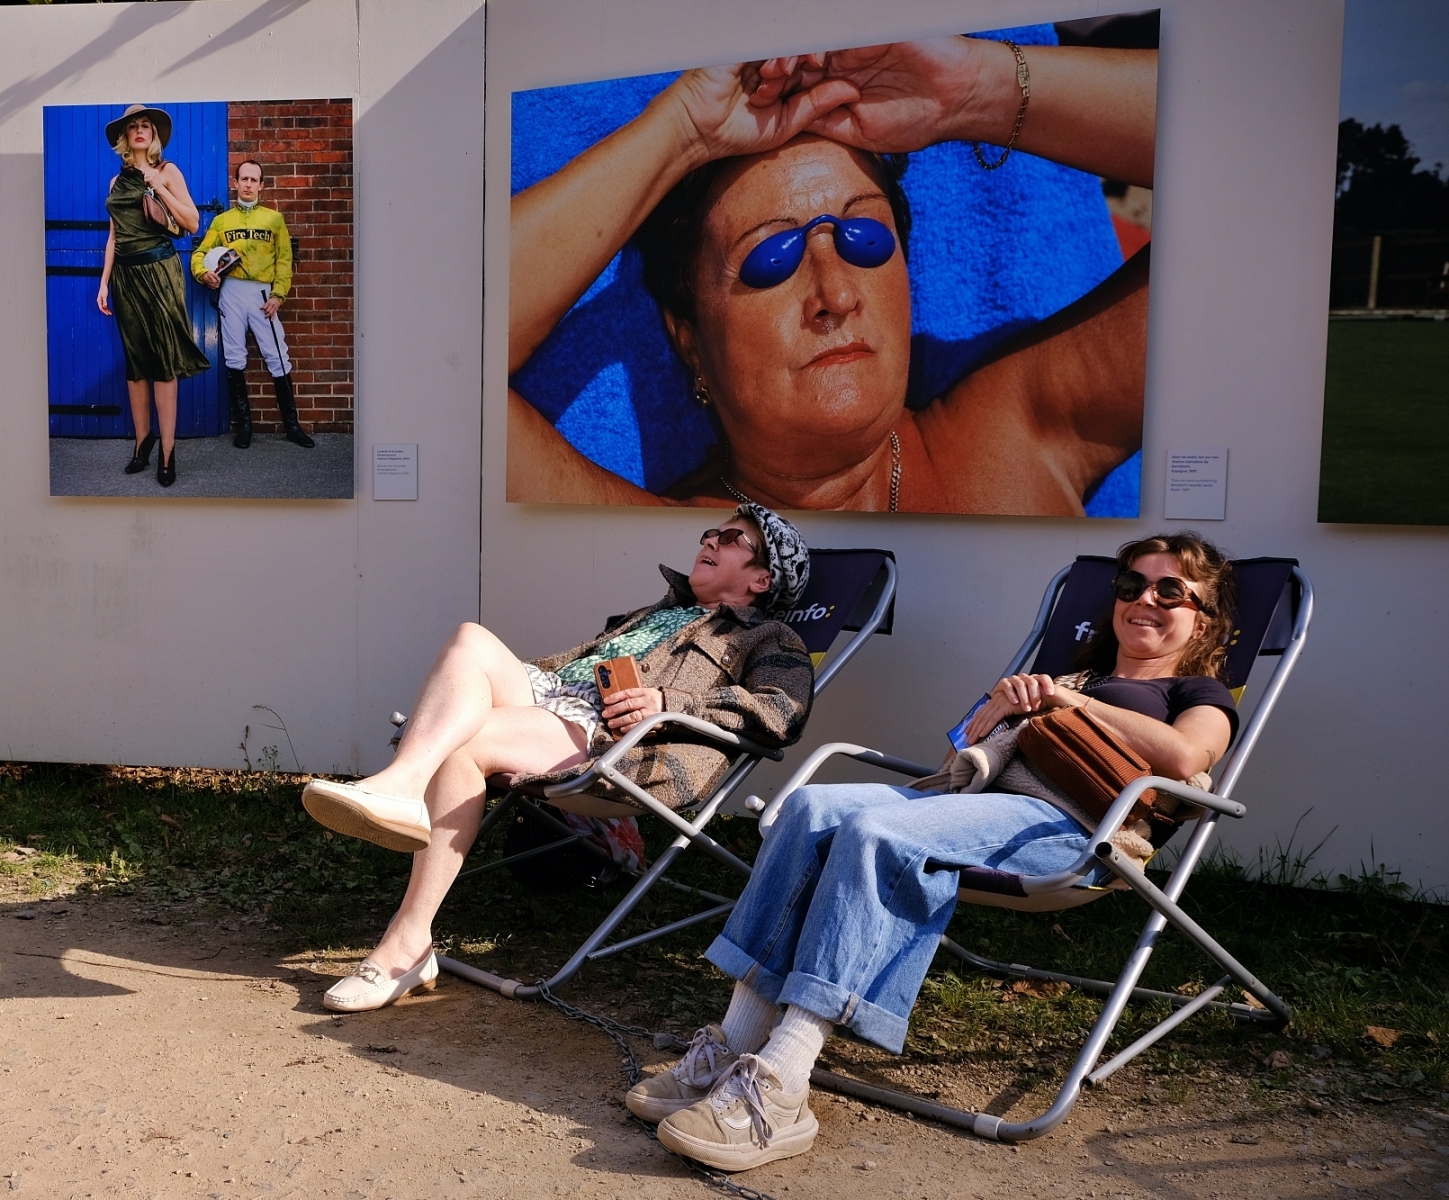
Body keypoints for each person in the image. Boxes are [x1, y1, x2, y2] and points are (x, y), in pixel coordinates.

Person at [630, 532, 1238, 1172]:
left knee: (878, 834)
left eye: (1170, 591)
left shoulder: (1195, 694)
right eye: (1131, 585)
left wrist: (1070, 703)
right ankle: (733, 1044)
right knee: (808, 808)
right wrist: (999, 708)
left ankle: (783, 1084)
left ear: (1203, 619)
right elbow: (954, 760)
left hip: (1065, 829)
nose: (1145, 600)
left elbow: (1186, 757)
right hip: (974, 805)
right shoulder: (1066, 676)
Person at [508, 36, 1157, 513]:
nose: (837, 294)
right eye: (772, 257)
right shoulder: (664, 552)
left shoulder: (1018, 436)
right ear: (690, 342)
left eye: (865, 240)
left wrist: (975, 94)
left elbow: (1224, 159)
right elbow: (451, 356)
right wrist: (681, 133)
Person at [300, 503, 816, 1012]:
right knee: (470, 638)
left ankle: (407, 942)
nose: (710, 540)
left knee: (464, 743)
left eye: (732, 539)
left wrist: (668, 704)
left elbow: (781, 712)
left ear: (762, 579)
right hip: (554, 698)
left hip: (613, 741)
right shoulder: (658, 612)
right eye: (711, 533)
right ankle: (404, 783)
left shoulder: (768, 637)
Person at [96, 103, 210, 488]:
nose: (141, 130)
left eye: (146, 125)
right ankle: (142, 442)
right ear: (125, 137)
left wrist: (157, 186)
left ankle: (167, 451)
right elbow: (114, 236)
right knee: (136, 364)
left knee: (162, 363)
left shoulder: (167, 171)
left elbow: (192, 222)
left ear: (154, 135)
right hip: (125, 278)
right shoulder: (116, 182)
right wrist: (104, 282)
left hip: (160, 272)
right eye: (134, 127)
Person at [191, 159, 316, 449]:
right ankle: (244, 426)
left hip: (263, 294)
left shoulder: (274, 219)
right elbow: (200, 254)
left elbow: (284, 260)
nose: (248, 184)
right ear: (235, 183)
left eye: (253, 180)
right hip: (231, 292)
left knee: (277, 355)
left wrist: (278, 295)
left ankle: (292, 426)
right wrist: (203, 273)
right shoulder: (222, 221)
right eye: (243, 179)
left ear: (261, 185)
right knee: (234, 356)